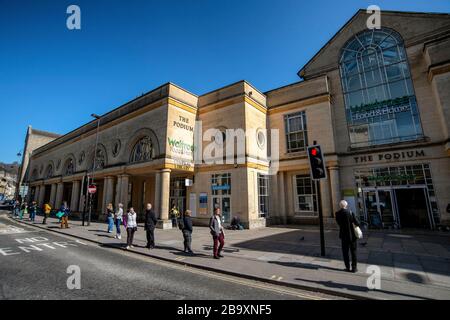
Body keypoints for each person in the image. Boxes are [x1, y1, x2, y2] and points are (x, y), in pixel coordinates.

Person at [335, 200, 360, 273]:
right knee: (354, 252)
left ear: (340, 206)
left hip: (343, 235)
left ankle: (347, 267)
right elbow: (357, 223)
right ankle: (354, 268)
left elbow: (339, 223)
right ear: (346, 205)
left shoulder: (337, 214)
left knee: (345, 252)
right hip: (352, 236)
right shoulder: (350, 212)